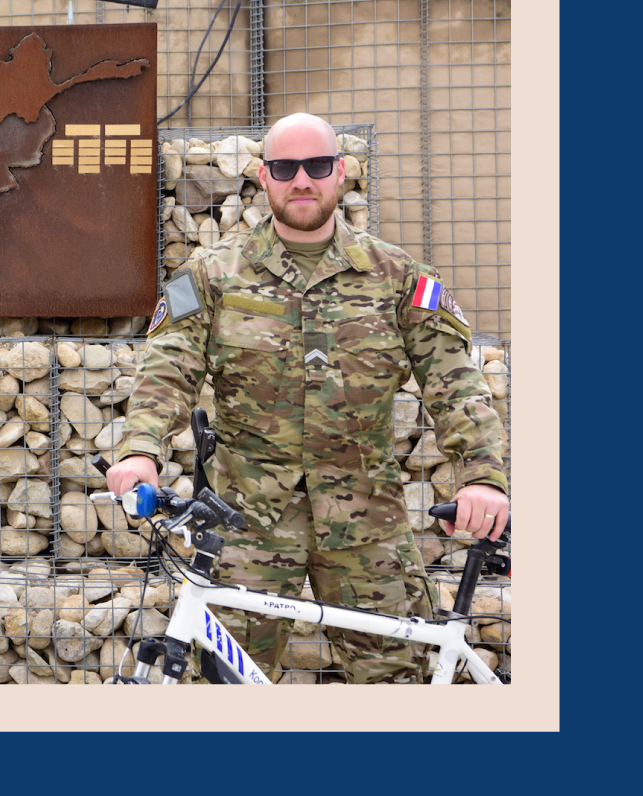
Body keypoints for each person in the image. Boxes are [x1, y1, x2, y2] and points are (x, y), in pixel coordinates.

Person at [107, 112, 508, 683]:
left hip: (368, 524)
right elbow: (169, 366)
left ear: (340, 173)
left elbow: (455, 380)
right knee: (227, 687)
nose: (302, 180)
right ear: (263, 176)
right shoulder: (211, 275)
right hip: (245, 522)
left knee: (394, 685)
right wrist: (141, 448)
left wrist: (482, 476)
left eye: (317, 166)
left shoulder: (398, 277)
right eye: (285, 167)